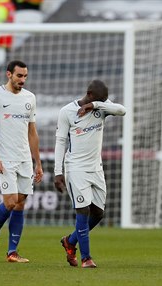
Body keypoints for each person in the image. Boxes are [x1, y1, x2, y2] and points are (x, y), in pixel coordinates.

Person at [54, 79, 126, 268]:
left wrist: (95, 105)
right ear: (89, 93)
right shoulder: (66, 112)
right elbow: (61, 141)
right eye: (100, 100)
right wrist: (57, 171)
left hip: (96, 168)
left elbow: (122, 110)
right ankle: (86, 258)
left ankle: (70, 241)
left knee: (98, 214)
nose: (105, 103)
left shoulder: (100, 106)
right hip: (75, 168)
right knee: (83, 210)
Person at [0, 60, 43, 263]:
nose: (23, 80)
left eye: (25, 76)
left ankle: (12, 252)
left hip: (25, 158)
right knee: (10, 202)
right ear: (9, 74)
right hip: (5, 158)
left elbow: (32, 131)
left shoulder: (30, 98)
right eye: (19, 76)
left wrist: (38, 163)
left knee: (20, 203)